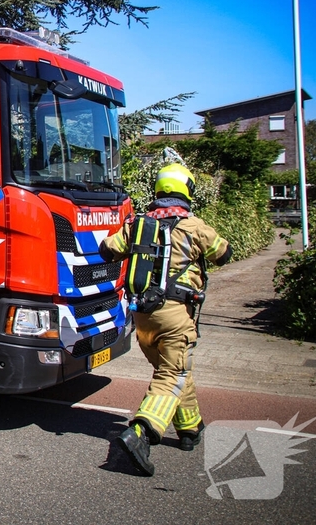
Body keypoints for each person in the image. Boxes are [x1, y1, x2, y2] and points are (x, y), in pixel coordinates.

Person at [99, 163, 233, 476]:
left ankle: (190, 429)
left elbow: (108, 250)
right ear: (187, 189)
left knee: (173, 369)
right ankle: (142, 431)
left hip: (143, 317)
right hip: (175, 315)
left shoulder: (139, 224)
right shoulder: (194, 226)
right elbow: (223, 254)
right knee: (172, 373)